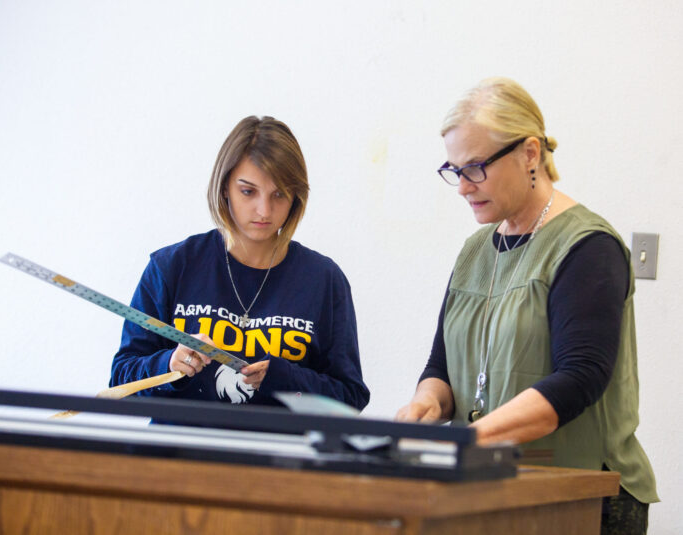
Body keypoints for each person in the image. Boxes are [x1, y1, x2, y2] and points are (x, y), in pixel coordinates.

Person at [396, 78, 657, 533]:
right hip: (491, 489)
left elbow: (579, 379)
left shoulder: (587, 246)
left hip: (582, 497)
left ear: (530, 153)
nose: (462, 186)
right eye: (454, 169)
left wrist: (471, 439)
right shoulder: (475, 251)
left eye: (475, 167)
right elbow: (442, 366)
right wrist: (424, 408)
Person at [111, 116, 369, 411]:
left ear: (296, 197)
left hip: (281, 455)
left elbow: (350, 398)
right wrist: (168, 364)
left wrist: (284, 378)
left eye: (279, 194)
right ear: (224, 188)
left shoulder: (324, 280)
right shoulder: (171, 267)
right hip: (179, 452)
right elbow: (120, 383)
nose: (264, 210)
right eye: (248, 191)